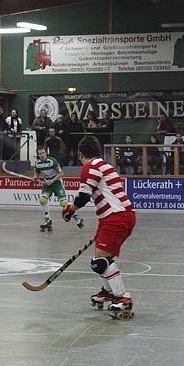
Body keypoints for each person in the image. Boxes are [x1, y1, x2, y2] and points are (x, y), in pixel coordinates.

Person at [61, 136, 135, 319]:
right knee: (102, 258)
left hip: (116, 217)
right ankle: (108, 291)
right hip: (116, 216)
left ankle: (122, 297)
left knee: (100, 262)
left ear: (80, 154)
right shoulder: (104, 165)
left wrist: (69, 210)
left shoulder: (91, 166)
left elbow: (84, 196)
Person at [33, 145, 83, 232]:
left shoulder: (52, 161)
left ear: (46, 153)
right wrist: (35, 179)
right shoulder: (38, 163)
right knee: (42, 200)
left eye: (43, 153)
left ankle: (77, 217)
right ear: (38, 155)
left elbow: (61, 173)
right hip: (47, 184)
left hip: (56, 182)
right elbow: (36, 174)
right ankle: (48, 220)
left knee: (63, 203)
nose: (42, 155)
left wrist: (52, 181)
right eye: (40, 154)